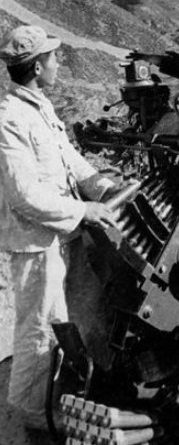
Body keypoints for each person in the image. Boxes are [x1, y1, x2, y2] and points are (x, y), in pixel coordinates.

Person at [0, 25, 119, 432]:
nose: (58, 63)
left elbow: (70, 158)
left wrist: (101, 186)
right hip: (37, 243)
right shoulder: (10, 119)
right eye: (53, 57)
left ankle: (73, 386)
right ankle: (33, 412)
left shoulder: (40, 108)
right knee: (40, 328)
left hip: (65, 234)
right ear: (37, 67)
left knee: (76, 316)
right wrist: (84, 209)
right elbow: (24, 196)